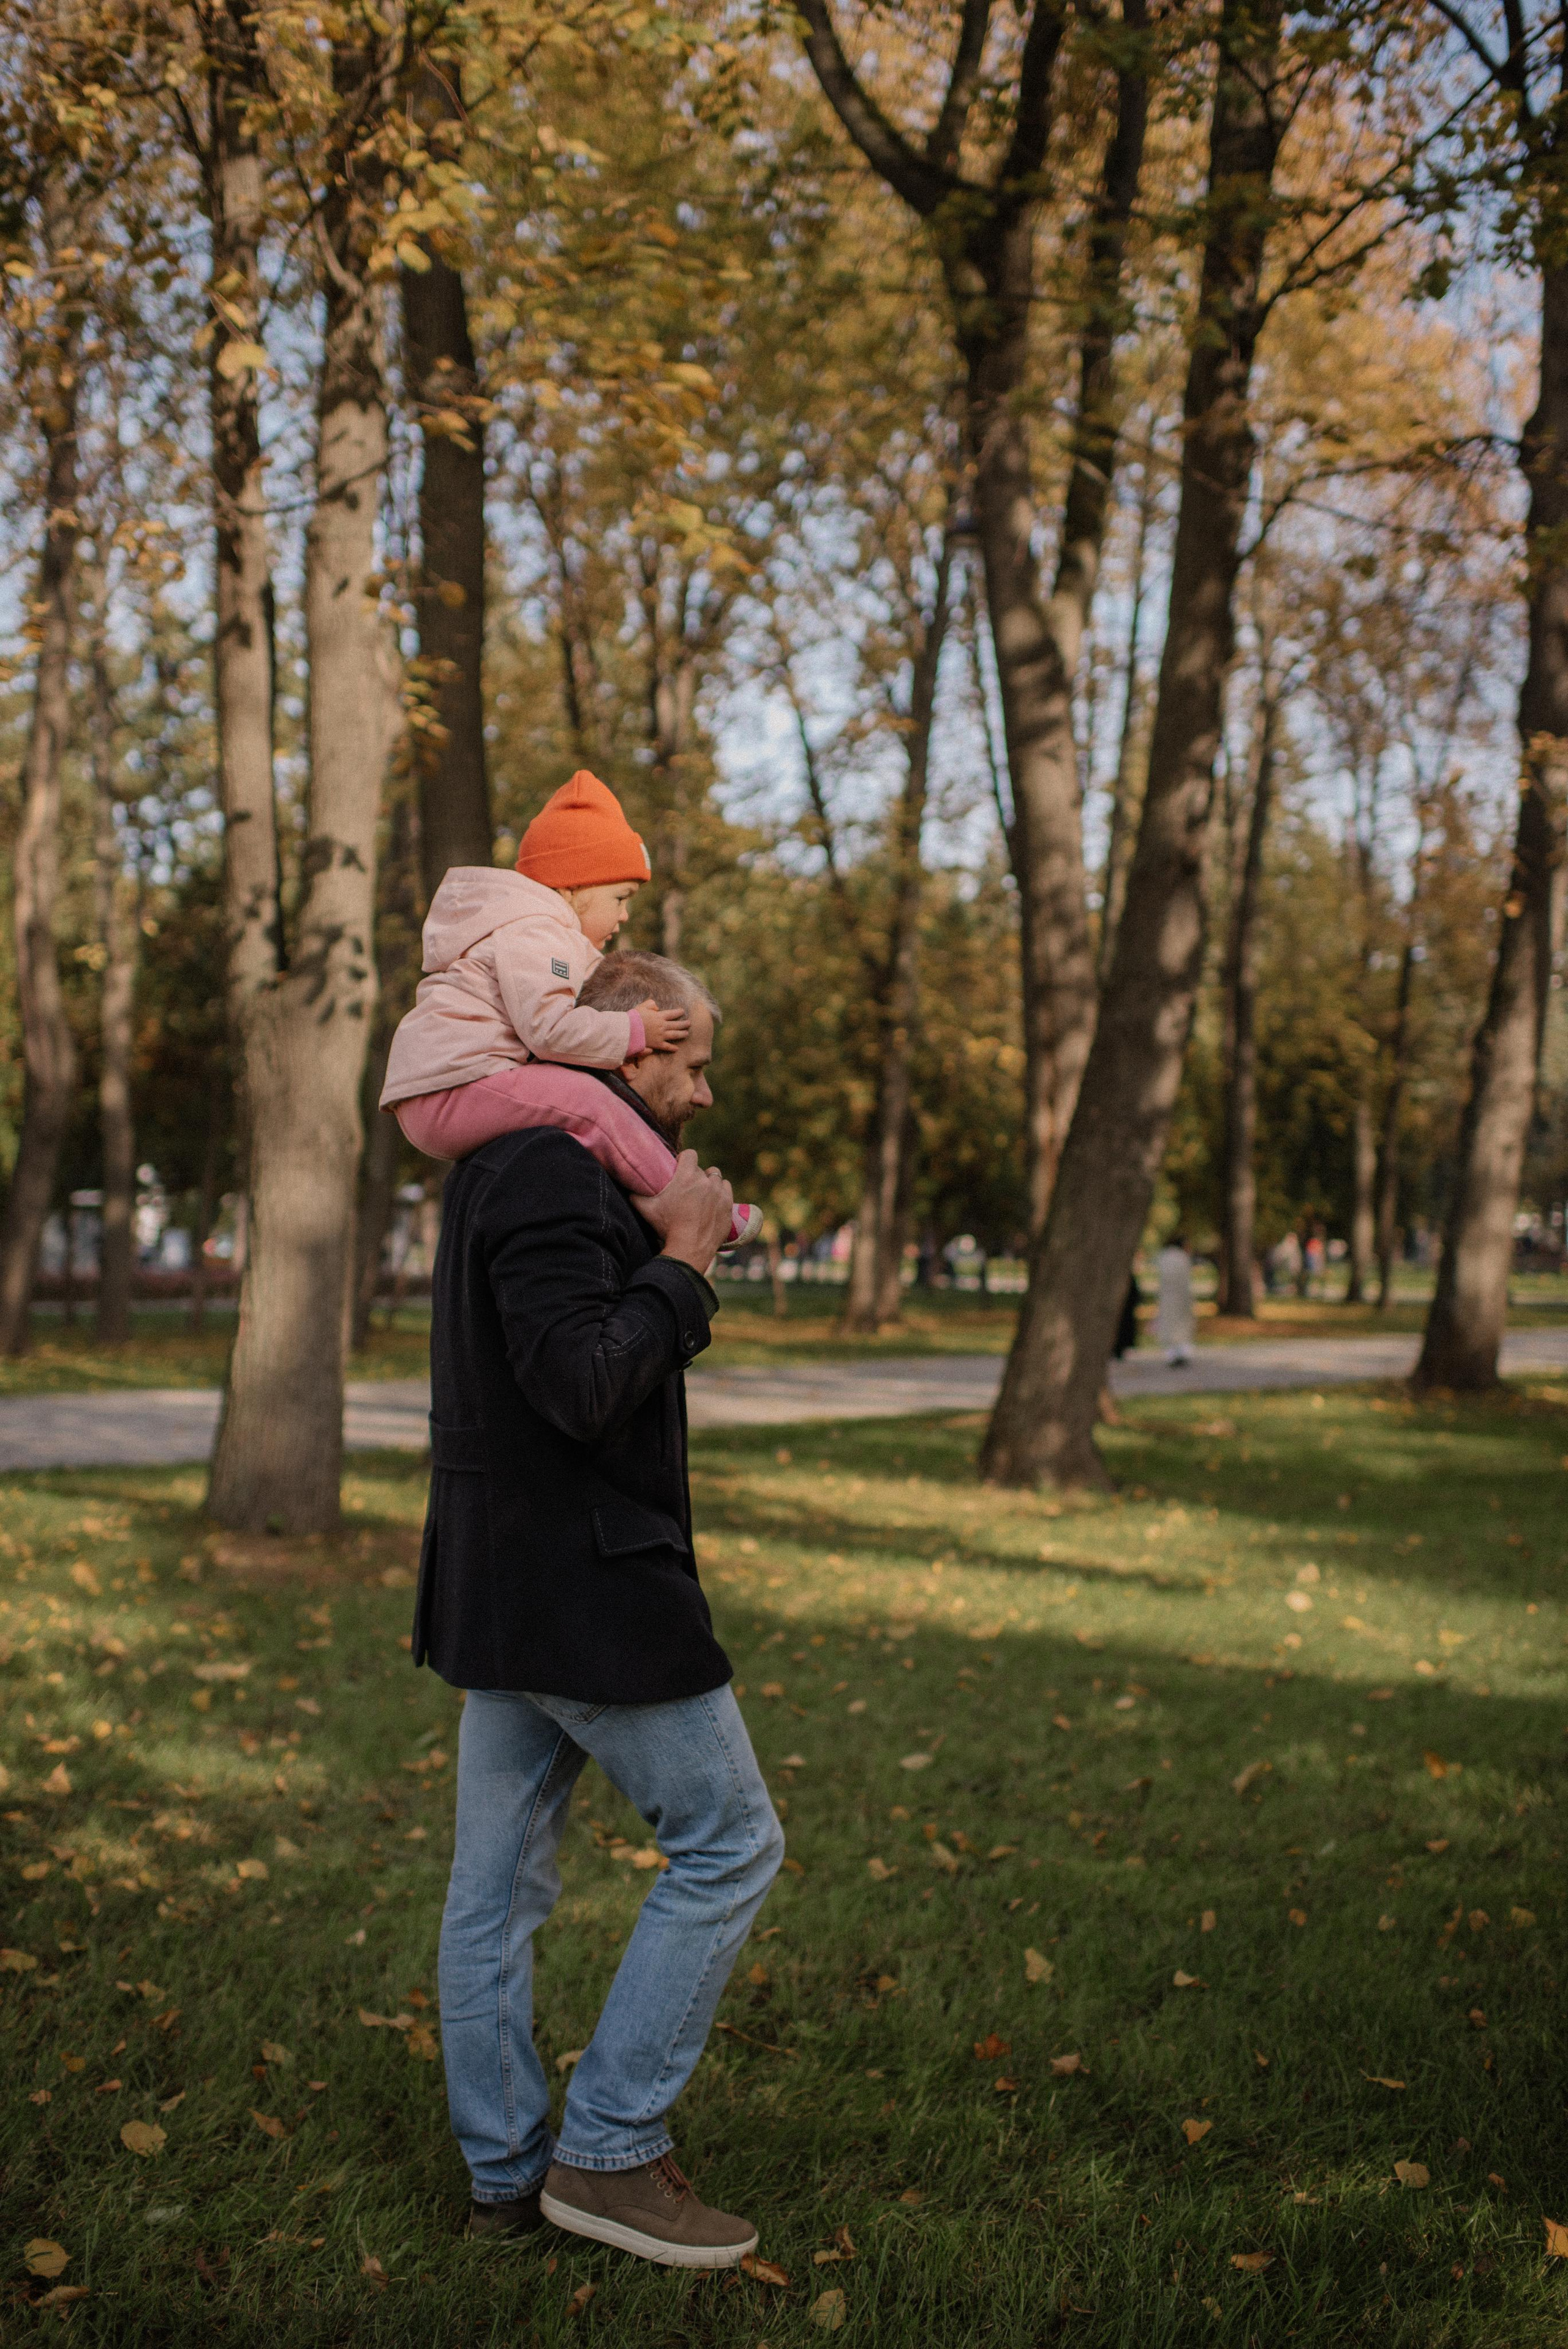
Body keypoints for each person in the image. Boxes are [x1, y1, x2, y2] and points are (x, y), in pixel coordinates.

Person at [415, 947, 784, 2269]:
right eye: (688, 1064)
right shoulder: (553, 1173)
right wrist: (682, 1267)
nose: (698, 1094)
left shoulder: (522, 1162)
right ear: (631, 1051)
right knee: (732, 1842)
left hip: (519, 1583)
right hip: (583, 1586)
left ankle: (505, 2183)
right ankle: (611, 2152)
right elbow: (580, 1385)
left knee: (494, 1890)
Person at [380, 767, 758, 1244]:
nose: (624, 915)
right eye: (620, 897)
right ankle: (687, 1203)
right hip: (455, 1087)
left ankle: (652, 1194)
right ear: (576, 886)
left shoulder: (547, 937)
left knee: (579, 1100)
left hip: (452, 1089)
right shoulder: (538, 931)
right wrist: (634, 1032)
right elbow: (549, 1029)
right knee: (591, 1105)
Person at [1155, 1233, 1194, 1367]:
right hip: (1180, 1296)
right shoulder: (1183, 1258)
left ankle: (1172, 1354)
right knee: (1181, 1326)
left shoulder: (1164, 1257)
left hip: (1168, 1297)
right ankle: (1181, 1353)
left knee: (1169, 1325)